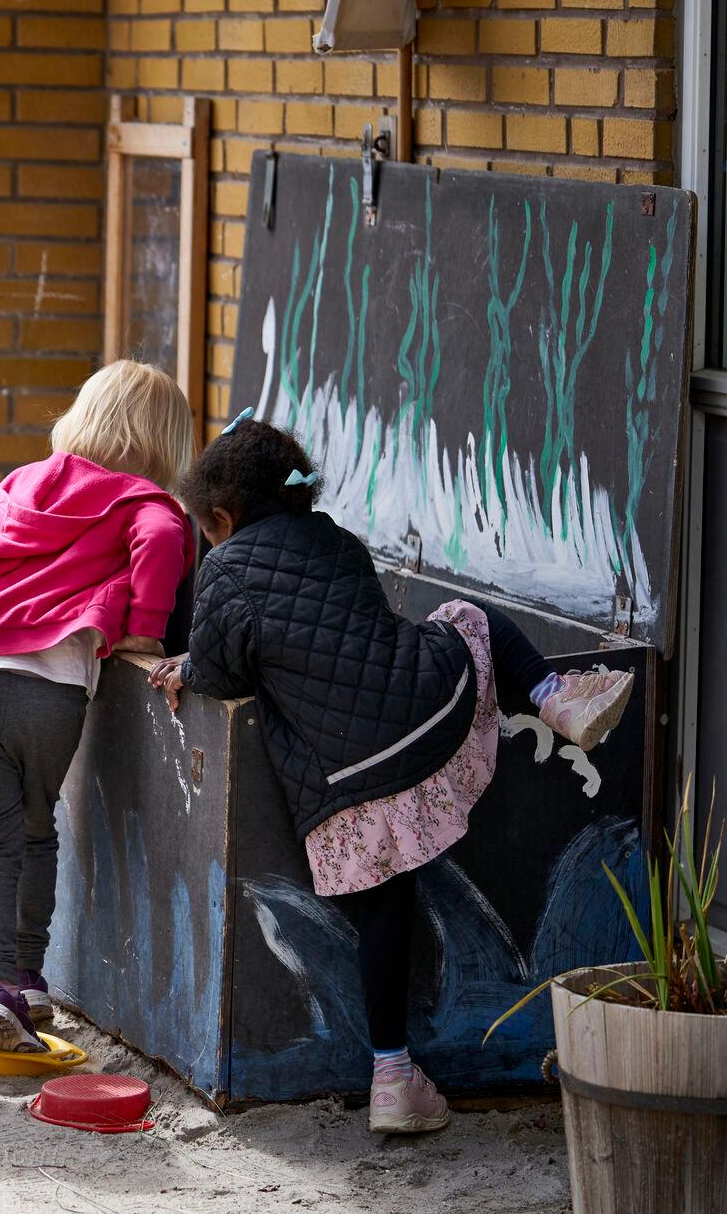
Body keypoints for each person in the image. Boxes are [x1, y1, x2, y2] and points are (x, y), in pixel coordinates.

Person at [149, 414, 635, 1134]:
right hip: (422, 713)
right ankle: (554, 697)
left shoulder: (223, 569)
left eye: (208, 527)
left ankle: (390, 1068)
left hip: (341, 773)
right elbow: (363, 633)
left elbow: (222, 673)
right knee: (473, 618)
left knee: (383, 908)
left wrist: (189, 663)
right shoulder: (339, 543)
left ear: (221, 515)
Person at [0, 361, 195, 1051]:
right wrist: (146, 627)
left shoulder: (25, 480)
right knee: (37, 829)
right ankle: (25, 976)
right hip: (52, 685)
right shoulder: (143, 501)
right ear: (161, 439)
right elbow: (161, 539)